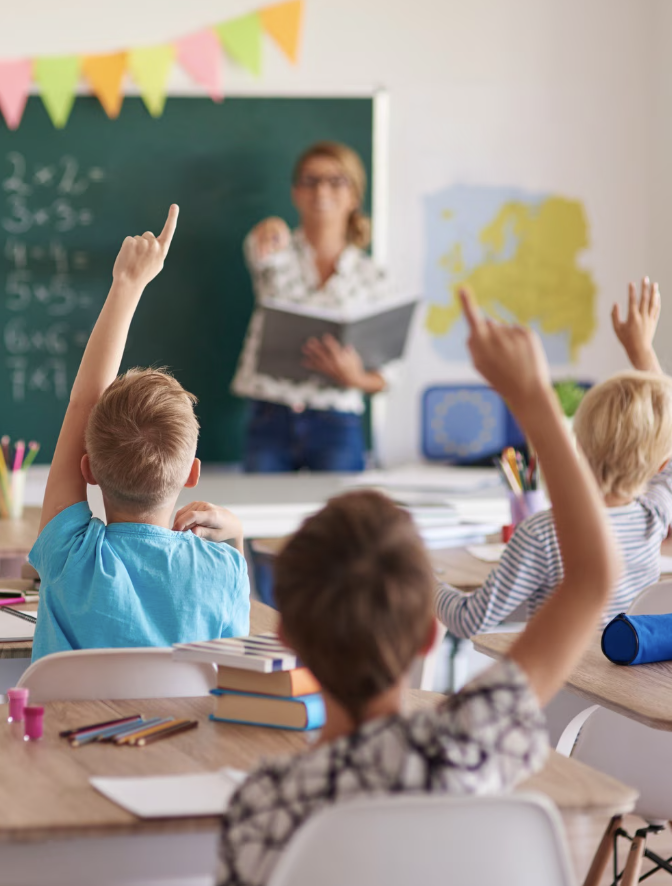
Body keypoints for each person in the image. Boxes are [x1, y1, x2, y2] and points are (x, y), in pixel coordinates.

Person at [216, 289, 622, 886]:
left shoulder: (264, 805)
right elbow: (593, 576)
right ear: (429, 636)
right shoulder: (468, 745)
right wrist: (533, 400)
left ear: (286, 638)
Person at [29, 205, 250, 661]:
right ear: (192, 473)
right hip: (184, 733)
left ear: (87, 469)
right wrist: (236, 537)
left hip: (65, 734)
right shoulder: (222, 570)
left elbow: (81, 404)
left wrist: (126, 286)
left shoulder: (72, 558)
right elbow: (233, 670)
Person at [436, 277, 672, 637]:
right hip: (625, 688)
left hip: (559, 689)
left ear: (577, 446)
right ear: (661, 464)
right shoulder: (654, 519)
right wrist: (642, 351)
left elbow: (468, 619)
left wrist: (421, 580)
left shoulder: (543, 533)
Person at [230, 141, 394, 473]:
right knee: (263, 520)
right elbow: (257, 246)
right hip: (270, 415)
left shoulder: (372, 277)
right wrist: (269, 226)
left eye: (336, 181)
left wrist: (356, 378)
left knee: (342, 523)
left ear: (354, 196)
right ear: (295, 192)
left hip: (337, 421)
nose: (321, 190)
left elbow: (387, 375)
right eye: (310, 180)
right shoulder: (275, 250)